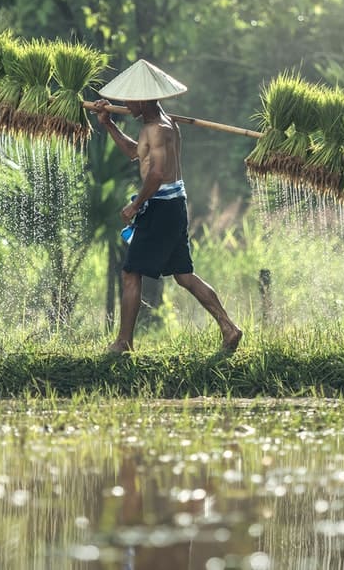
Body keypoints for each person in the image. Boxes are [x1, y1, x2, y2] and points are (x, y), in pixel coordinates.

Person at [92, 59, 243, 355]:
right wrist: (108, 124)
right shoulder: (163, 125)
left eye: (129, 99)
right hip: (174, 204)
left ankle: (124, 342)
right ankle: (229, 327)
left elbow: (157, 175)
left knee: (130, 272)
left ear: (143, 100)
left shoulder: (159, 129)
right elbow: (136, 153)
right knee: (183, 274)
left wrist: (136, 205)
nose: (125, 103)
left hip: (160, 207)